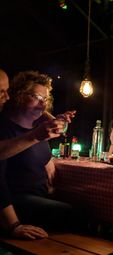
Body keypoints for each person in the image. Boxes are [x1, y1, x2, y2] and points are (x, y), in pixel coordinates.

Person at [0, 70, 76, 240]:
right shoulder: (5, 127)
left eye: (46, 99)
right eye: (36, 97)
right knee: (71, 214)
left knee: (87, 204)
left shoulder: (37, 124)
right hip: (15, 201)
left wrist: (49, 159)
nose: (42, 104)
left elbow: (49, 125)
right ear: (19, 95)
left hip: (40, 195)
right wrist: (14, 225)